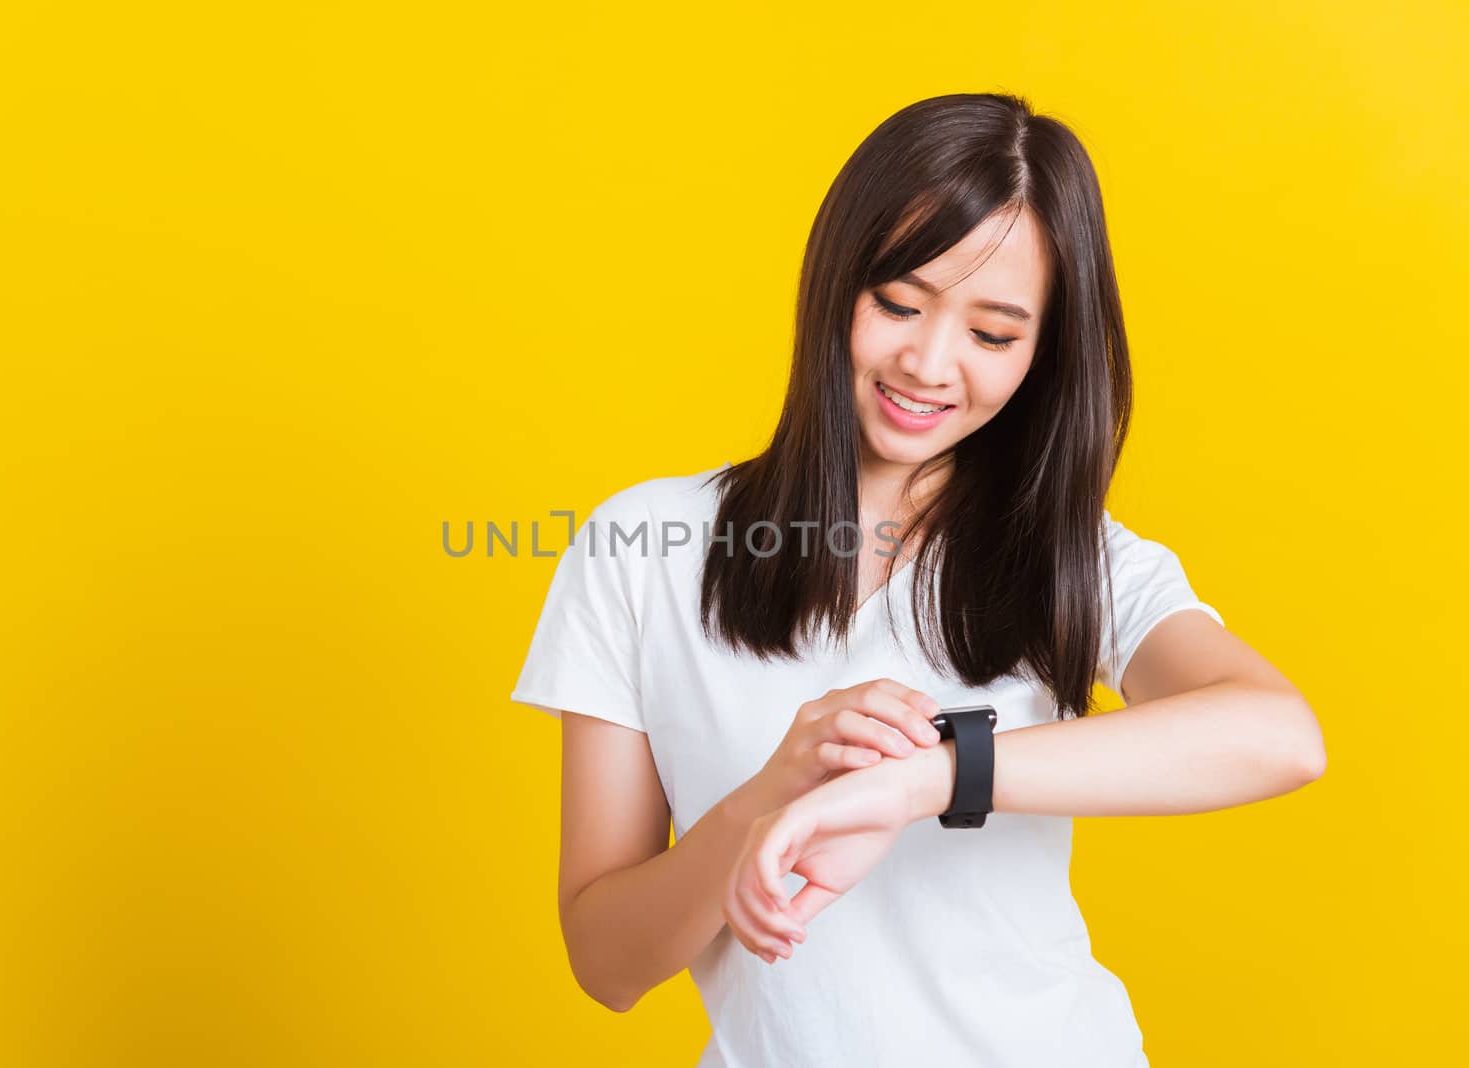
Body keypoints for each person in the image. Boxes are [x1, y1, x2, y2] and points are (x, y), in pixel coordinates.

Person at [509, 92, 1326, 1068]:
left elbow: (1280, 735)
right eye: (899, 302)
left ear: (1042, 353)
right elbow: (606, 964)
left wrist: (924, 779)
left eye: (992, 335)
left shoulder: (1069, 557)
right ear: (836, 280)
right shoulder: (640, 546)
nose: (929, 362)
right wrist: (774, 795)